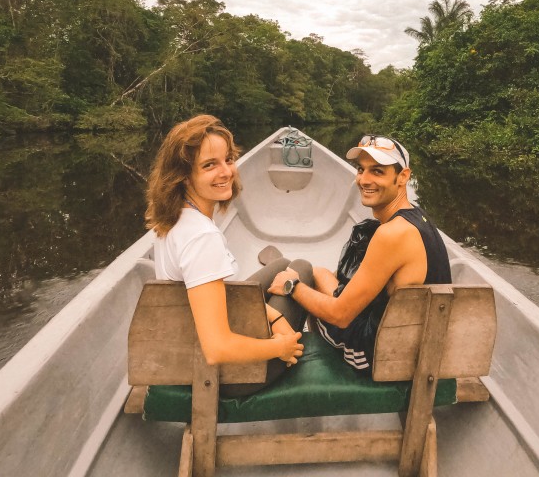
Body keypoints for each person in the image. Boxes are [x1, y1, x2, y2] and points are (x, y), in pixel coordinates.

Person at [145, 114, 313, 393]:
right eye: (210, 165)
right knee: (302, 270)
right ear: (184, 177)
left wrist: (272, 317)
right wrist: (279, 346)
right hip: (223, 376)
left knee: (282, 264)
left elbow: (223, 297)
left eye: (228, 160)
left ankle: (277, 311)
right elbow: (217, 349)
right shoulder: (201, 238)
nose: (226, 172)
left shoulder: (176, 217)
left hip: (187, 342)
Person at [267, 134, 451, 371]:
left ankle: (312, 360)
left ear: (403, 177)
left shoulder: (392, 234)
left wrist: (292, 286)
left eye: (377, 171)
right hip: (415, 342)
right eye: (361, 170)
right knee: (320, 273)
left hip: (378, 354)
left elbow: (341, 315)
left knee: (303, 284)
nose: (364, 179)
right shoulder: (416, 216)